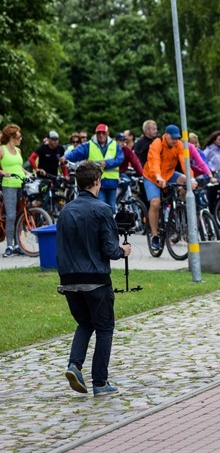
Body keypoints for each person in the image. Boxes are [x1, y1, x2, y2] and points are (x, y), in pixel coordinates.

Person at [57, 161, 132, 396]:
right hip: (96, 279)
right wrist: (124, 250)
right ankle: (100, 382)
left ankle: (74, 365)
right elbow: (110, 250)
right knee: (105, 327)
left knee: (84, 323)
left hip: (68, 279)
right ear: (97, 182)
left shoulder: (65, 211)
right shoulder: (102, 209)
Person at [142, 125, 196, 251]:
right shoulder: (157, 143)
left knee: (185, 180)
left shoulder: (178, 145)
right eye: (173, 138)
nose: (175, 141)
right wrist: (158, 177)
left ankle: (179, 206)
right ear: (166, 135)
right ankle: (155, 236)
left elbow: (184, 162)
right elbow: (154, 161)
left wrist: (191, 179)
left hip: (169, 174)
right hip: (152, 176)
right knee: (155, 203)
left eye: (177, 138)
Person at [63, 124, 123, 212]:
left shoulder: (114, 145)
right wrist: (66, 157)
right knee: (100, 206)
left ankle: (110, 225)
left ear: (108, 133)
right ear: (96, 134)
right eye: (99, 133)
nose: (101, 135)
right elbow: (77, 152)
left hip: (111, 182)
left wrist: (107, 163)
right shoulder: (90, 144)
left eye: (103, 133)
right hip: (96, 181)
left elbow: (120, 159)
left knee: (112, 208)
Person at [0, 125, 28, 257]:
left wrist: (29, 174)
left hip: (21, 184)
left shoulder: (18, 150)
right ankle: (9, 246)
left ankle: (18, 245)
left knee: (20, 215)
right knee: (10, 215)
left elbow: (19, 167)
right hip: (9, 185)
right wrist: (2, 172)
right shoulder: (2, 150)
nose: (21, 138)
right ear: (12, 137)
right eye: (19, 136)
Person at [204, 131, 220, 214]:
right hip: (213, 178)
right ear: (214, 140)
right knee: (212, 199)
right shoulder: (209, 150)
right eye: (219, 139)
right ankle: (212, 217)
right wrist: (210, 169)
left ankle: (219, 217)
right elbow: (203, 161)